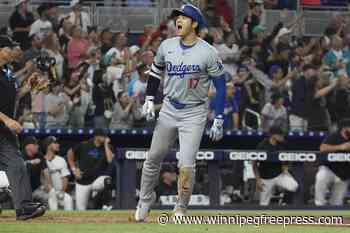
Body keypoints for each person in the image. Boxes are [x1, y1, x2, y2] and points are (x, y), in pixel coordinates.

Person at [135, 4, 226, 221]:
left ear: (194, 23)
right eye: (178, 18)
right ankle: (145, 201)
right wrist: (149, 98)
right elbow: (155, 72)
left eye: (184, 18)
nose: (179, 21)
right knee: (153, 157)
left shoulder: (208, 51)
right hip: (168, 108)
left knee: (186, 164)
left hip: (194, 112)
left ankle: (180, 208)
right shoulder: (167, 45)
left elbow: (221, 85)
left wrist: (219, 117)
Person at [0, 44, 46, 220]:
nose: (13, 50)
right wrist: (6, 119)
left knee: (17, 165)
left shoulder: (7, 71)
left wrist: (28, 87)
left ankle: (24, 207)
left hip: (4, 132)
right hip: (4, 125)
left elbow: (14, 97)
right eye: (8, 47)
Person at [67, 129, 114, 210]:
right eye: (103, 136)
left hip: (97, 180)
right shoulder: (84, 145)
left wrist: (106, 144)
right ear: (96, 137)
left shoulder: (108, 147)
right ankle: (94, 198)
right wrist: (74, 169)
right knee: (80, 210)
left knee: (107, 180)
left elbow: (110, 160)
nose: (106, 138)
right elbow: (69, 154)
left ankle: (106, 204)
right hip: (83, 181)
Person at [252, 126, 298, 206]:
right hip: (265, 177)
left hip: (279, 175)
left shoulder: (283, 145)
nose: (282, 137)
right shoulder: (262, 145)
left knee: (294, 186)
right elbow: (254, 164)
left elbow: (289, 158)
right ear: (273, 135)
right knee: (263, 204)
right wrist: (258, 180)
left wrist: (286, 169)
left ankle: (284, 202)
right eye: (280, 135)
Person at [315, 119, 350, 206]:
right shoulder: (334, 136)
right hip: (329, 169)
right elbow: (322, 148)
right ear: (344, 129)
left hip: (344, 174)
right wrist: (341, 147)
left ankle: (334, 217)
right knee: (321, 177)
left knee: (336, 203)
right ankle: (319, 206)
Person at [42, 136, 73, 210]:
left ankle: (70, 221)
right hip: (46, 192)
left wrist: (62, 191)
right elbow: (42, 179)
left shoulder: (61, 160)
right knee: (52, 198)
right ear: (48, 145)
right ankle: (54, 219)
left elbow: (65, 177)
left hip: (59, 191)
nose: (58, 145)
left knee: (68, 199)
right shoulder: (42, 160)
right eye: (55, 143)